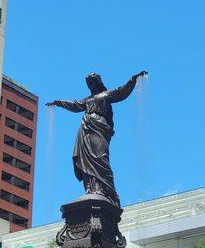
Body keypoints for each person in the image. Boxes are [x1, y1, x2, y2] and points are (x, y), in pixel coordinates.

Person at [46, 71, 148, 206]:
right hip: (86, 129)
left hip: (100, 128)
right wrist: (59, 103)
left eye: (93, 82)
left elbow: (121, 92)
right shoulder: (87, 100)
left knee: (101, 158)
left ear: (99, 82)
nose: (91, 85)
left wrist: (132, 80)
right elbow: (75, 105)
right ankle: (91, 188)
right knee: (86, 159)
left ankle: (108, 192)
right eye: (89, 83)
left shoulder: (107, 95)